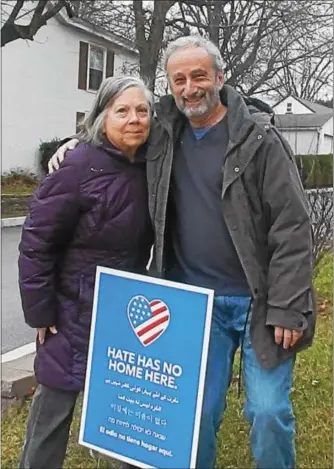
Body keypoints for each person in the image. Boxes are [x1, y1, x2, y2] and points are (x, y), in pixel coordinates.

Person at [49, 36, 315, 469]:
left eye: (199, 76)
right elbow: (120, 131)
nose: (190, 88)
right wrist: (75, 143)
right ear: (170, 86)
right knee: (192, 414)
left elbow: (292, 226)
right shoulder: (164, 133)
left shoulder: (259, 139)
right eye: (179, 80)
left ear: (220, 78)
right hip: (194, 304)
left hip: (260, 302)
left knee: (267, 412)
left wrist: (287, 306)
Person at [18, 75, 154, 469]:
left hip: (125, 312)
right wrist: (41, 313)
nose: (134, 119)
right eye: (122, 110)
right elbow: (36, 244)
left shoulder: (154, 164)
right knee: (53, 414)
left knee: (125, 418)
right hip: (71, 313)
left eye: (142, 110)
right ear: (102, 116)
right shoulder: (77, 166)